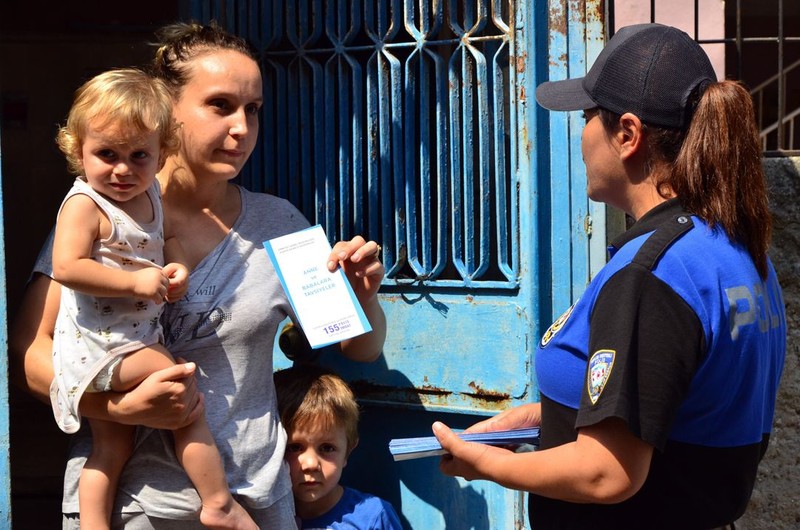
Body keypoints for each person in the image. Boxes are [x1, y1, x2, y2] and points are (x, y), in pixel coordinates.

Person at [9, 20, 387, 529]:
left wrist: (364, 299)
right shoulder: (106, 214)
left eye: (252, 110)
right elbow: (32, 354)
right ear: (167, 112)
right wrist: (120, 409)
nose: (241, 127)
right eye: (220, 105)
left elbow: (358, 348)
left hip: (255, 500)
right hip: (134, 505)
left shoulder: (278, 224)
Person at [432, 23, 786, 529]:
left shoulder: (653, 273)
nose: (580, 136)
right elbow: (667, 408)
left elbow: (608, 472)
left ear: (627, 135)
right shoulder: (737, 250)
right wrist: (536, 420)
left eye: (585, 117)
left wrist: (491, 465)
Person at [49, 67, 257, 530]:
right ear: (77, 150)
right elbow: (67, 267)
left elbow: (165, 243)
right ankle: (218, 502)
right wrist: (135, 284)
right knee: (183, 393)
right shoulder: (85, 204)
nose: (122, 169)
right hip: (101, 347)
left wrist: (176, 267)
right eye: (106, 154)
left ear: (161, 153)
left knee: (111, 447)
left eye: (139, 155)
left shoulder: (150, 195)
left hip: (131, 337)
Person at [274, 365, 402, 530]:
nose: (311, 464)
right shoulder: (259, 517)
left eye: (327, 448)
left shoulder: (374, 518)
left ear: (348, 451)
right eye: (294, 447)